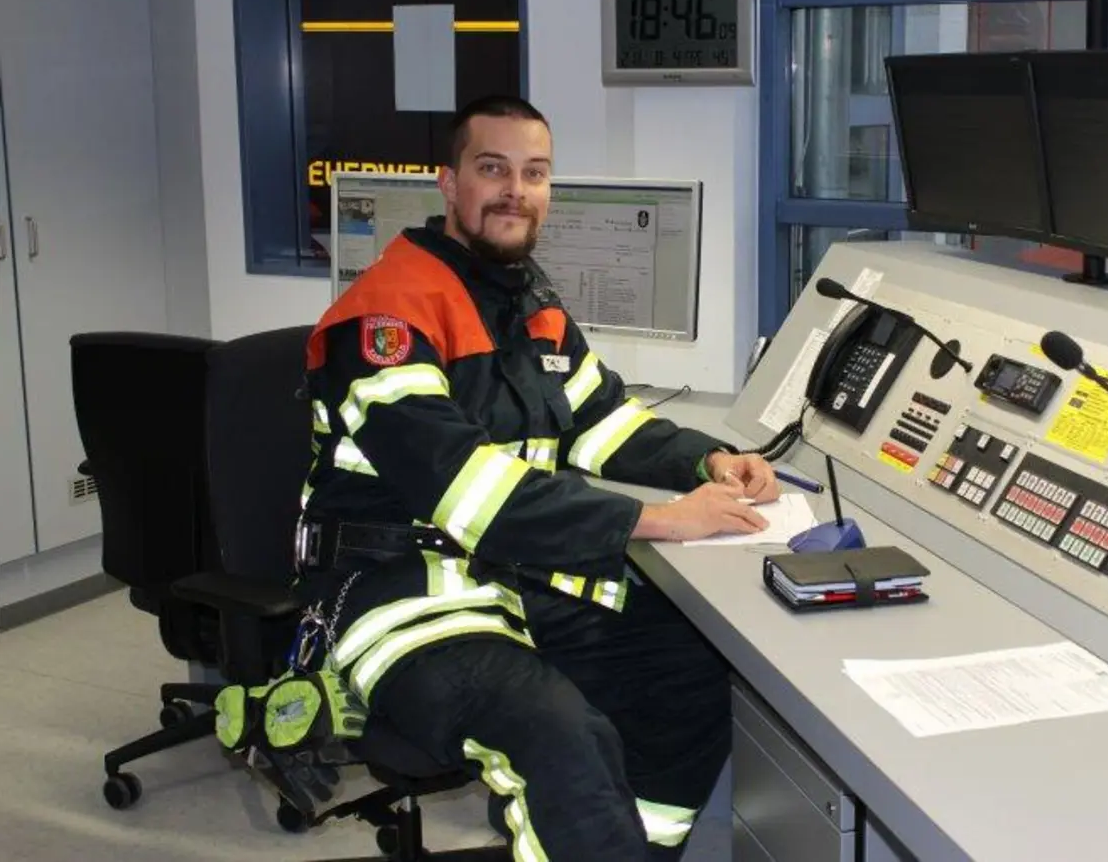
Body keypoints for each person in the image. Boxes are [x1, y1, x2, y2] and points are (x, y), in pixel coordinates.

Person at [295, 95, 780, 860]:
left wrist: (707, 459)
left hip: (519, 577)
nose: (514, 190)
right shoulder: (384, 317)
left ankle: (633, 849)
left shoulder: (531, 305)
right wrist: (654, 520)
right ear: (449, 185)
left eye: (534, 173)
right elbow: (462, 485)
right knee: (558, 735)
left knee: (690, 667)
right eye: (492, 169)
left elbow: (600, 421)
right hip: (403, 589)